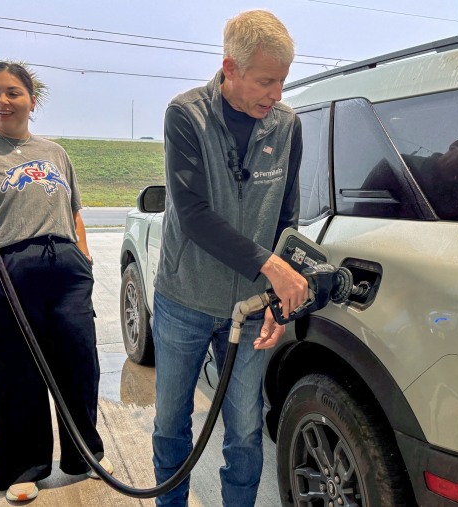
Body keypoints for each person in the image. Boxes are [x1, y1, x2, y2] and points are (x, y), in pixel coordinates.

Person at [0, 61, 113, 502]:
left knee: (78, 364)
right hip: (5, 270)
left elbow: (74, 212)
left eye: (13, 92)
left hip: (66, 270)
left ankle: (84, 455)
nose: (2, 101)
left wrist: (83, 258)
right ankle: (22, 467)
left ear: (33, 100)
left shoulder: (55, 153)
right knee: (15, 372)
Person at [152, 10, 307, 507]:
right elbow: (193, 215)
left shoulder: (286, 125)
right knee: (171, 422)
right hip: (185, 302)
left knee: (243, 430)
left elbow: (288, 216)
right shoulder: (186, 115)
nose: (276, 94)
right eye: (266, 81)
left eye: (283, 81)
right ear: (230, 69)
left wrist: (278, 302)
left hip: (253, 306)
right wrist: (271, 267)